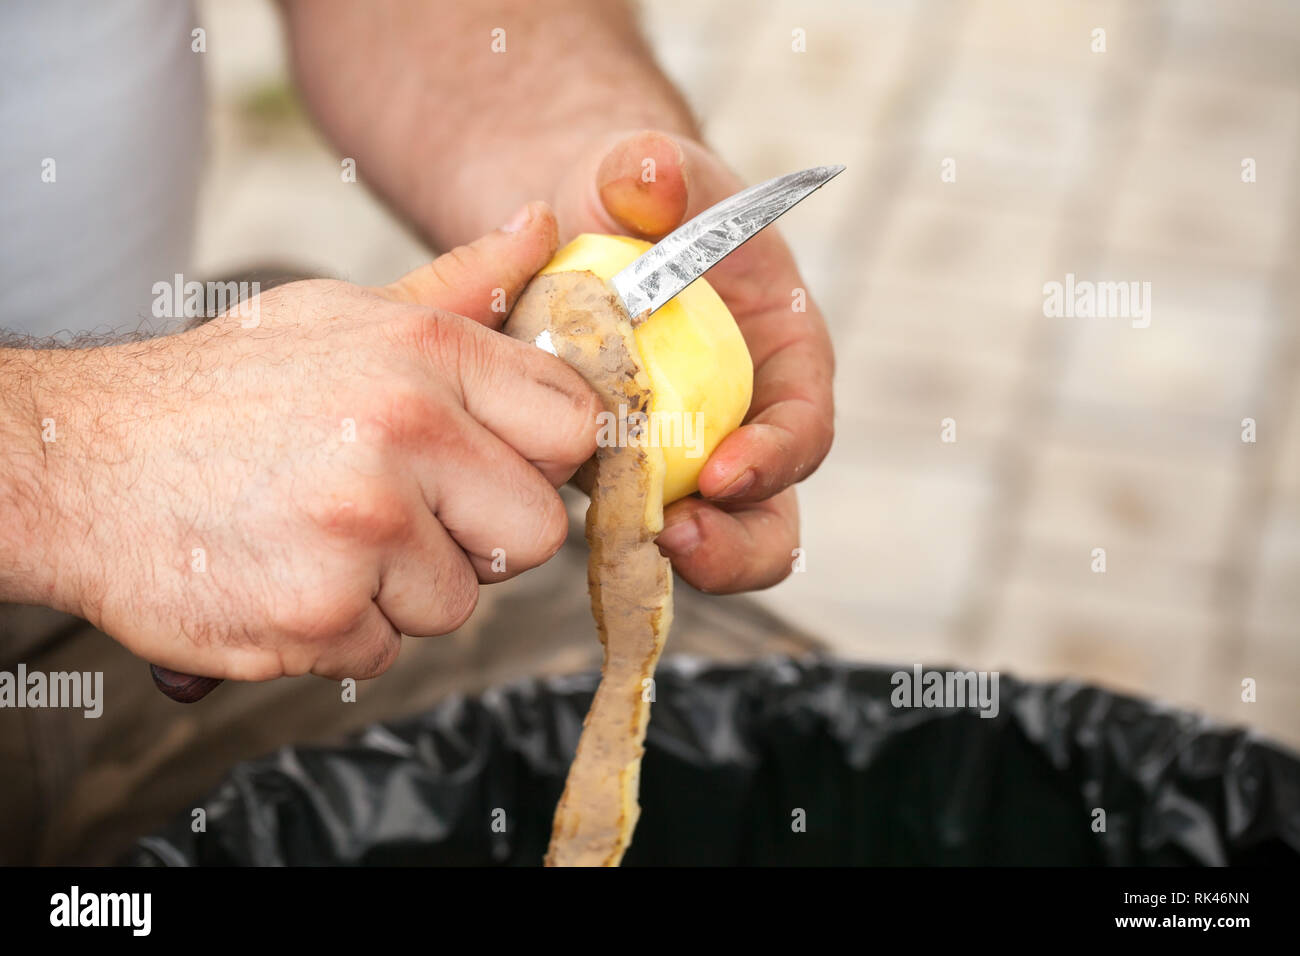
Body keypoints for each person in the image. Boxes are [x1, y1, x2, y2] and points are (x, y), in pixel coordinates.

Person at [0, 0, 833, 861]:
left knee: (784, 760)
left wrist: (581, 160)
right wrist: (78, 463)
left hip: (179, 507)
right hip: (113, 480)